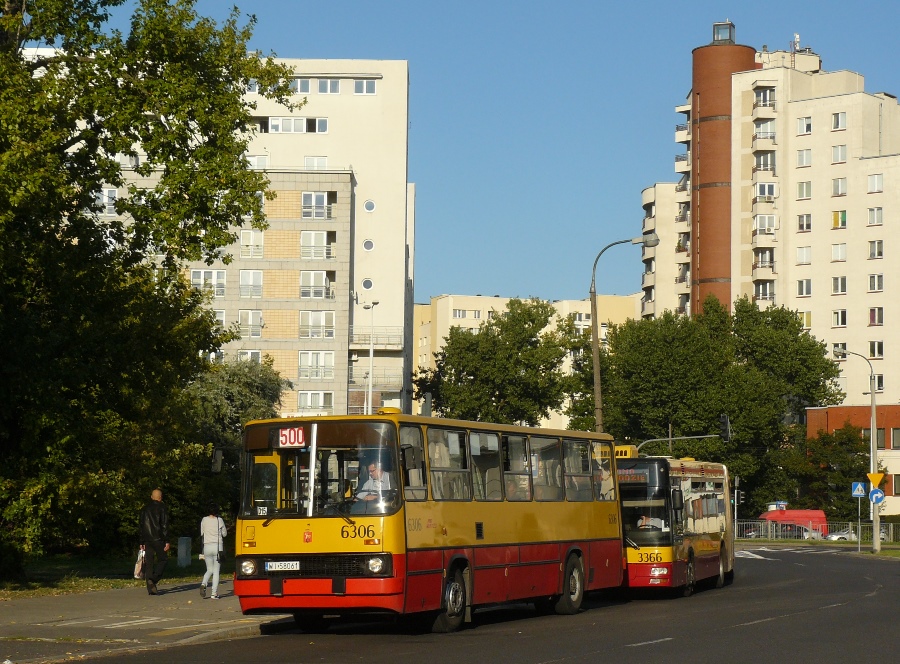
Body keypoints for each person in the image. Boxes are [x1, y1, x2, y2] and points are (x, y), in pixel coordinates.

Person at [139, 488, 169, 595]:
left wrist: (141, 541)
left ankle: (150, 588)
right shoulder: (162, 508)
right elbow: (164, 525)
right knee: (163, 559)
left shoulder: (144, 509)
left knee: (149, 563)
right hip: (158, 539)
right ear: (160, 498)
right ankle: (154, 579)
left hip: (147, 539)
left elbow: (142, 526)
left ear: (151, 497)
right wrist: (166, 540)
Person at [199, 504, 228, 600]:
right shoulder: (219, 520)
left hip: (207, 547)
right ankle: (214, 593)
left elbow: (202, 533)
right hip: (217, 547)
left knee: (209, 569)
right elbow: (224, 534)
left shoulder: (204, 520)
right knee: (216, 571)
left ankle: (203, 583)